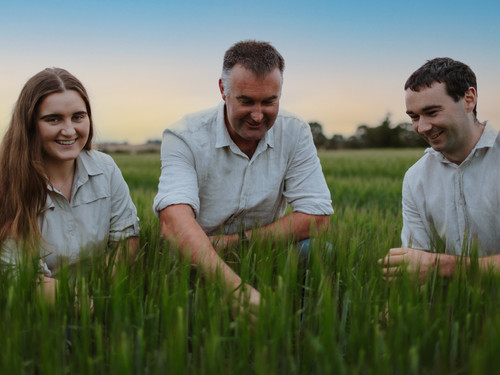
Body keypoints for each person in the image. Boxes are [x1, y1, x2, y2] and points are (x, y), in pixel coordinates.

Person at [153, 40, 333, 318]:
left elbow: (318, 217)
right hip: (197, 255)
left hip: (264, 250)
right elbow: (173, 221)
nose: (258, 115)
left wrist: (234, 243)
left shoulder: (295, 132)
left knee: (319, 250)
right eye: (246, 101)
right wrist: (235, 289)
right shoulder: (184, 136)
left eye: (269, 101)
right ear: (224, 90)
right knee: (175, 297)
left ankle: (300, 329)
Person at [0, 68, 140, 299]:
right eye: (53, 119)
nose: (68, 130)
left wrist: (100, 295)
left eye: (78, 117)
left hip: (100, 300)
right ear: (30, 124)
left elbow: (126, 240)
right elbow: (23, 276)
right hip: (35, 313)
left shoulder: (105, 169)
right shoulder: (8, 183)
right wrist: (83, 305)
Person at [381, 57, 500, 282]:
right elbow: (414, 267)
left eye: (432, 112)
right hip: (449, 310)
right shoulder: (416, 178)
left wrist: (446, 266)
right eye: (414, 117)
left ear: (469, 99)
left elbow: (430, 267)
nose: (422, 127)